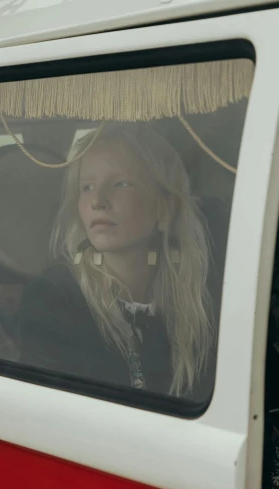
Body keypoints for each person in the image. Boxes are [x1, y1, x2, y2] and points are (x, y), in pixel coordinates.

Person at [19, 122, 215, 399]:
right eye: (87, 187)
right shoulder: (53, 300)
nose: (98, 200)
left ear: (165, 207)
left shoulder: (193, 302)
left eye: (121, 184)